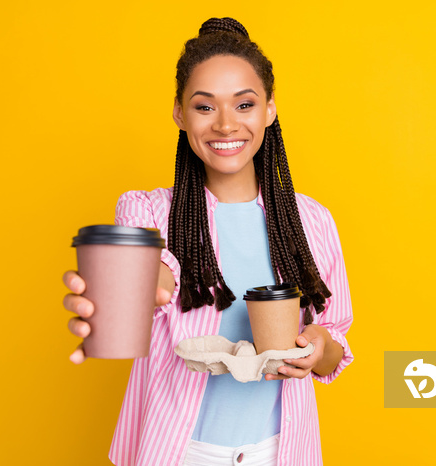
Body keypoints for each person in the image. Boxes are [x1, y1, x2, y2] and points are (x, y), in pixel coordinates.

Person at [63, 17, 354, 466]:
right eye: (204, 107)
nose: (224, 125)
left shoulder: (310, 221)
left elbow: (334, 340)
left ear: (269, 110)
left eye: (244, 105)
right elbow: (155, 274)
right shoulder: (148, 211)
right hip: (179, 452)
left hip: (280, 453)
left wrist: (316, 344)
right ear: (179, 112)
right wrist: (130, 291)